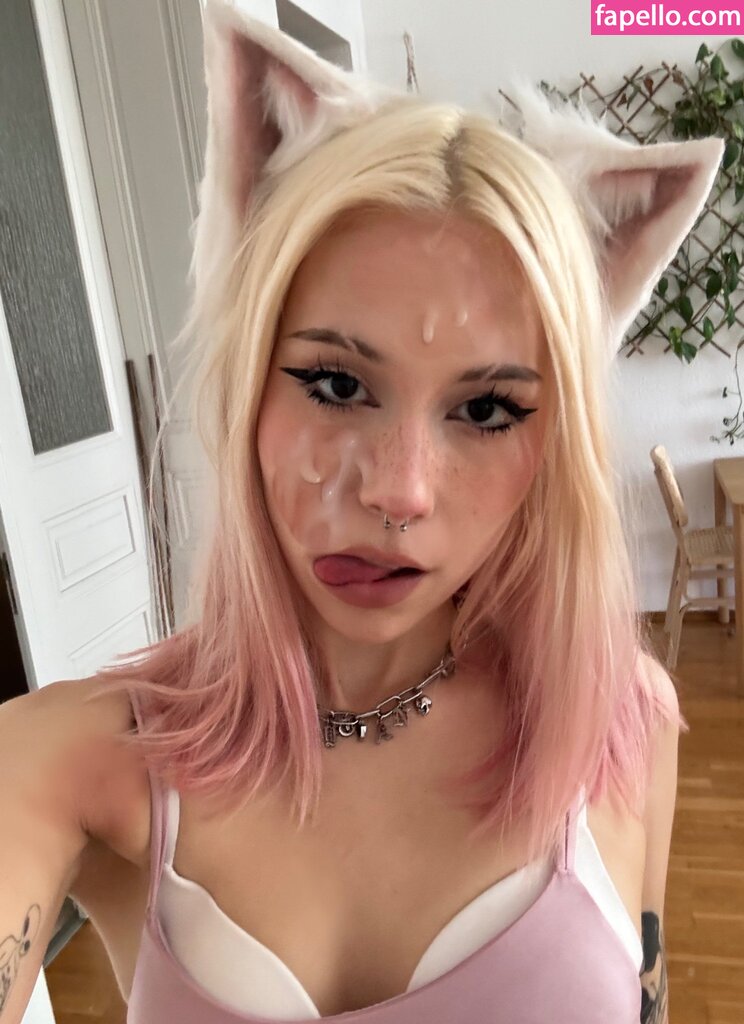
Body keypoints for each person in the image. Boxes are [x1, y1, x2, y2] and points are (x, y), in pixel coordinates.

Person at [0, 1, 724, 1022]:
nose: (400, 490)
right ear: (251, 385)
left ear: (552, 443)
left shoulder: (621, 720)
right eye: (336, 385)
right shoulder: (68, 759)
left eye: (486, 409)